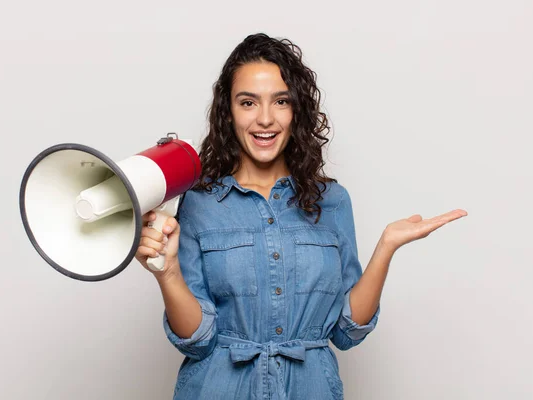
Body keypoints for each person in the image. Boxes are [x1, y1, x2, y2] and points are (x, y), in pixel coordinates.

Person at [134, 33, 467, 400]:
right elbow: (197, 341)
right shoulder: (200, 203)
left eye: (281, 101)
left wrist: (386, 246)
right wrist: (167, 274)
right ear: (228, 113)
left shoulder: (333, 202)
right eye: (248, 102)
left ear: (297, 111)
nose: (265, 119)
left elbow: (346, 331)